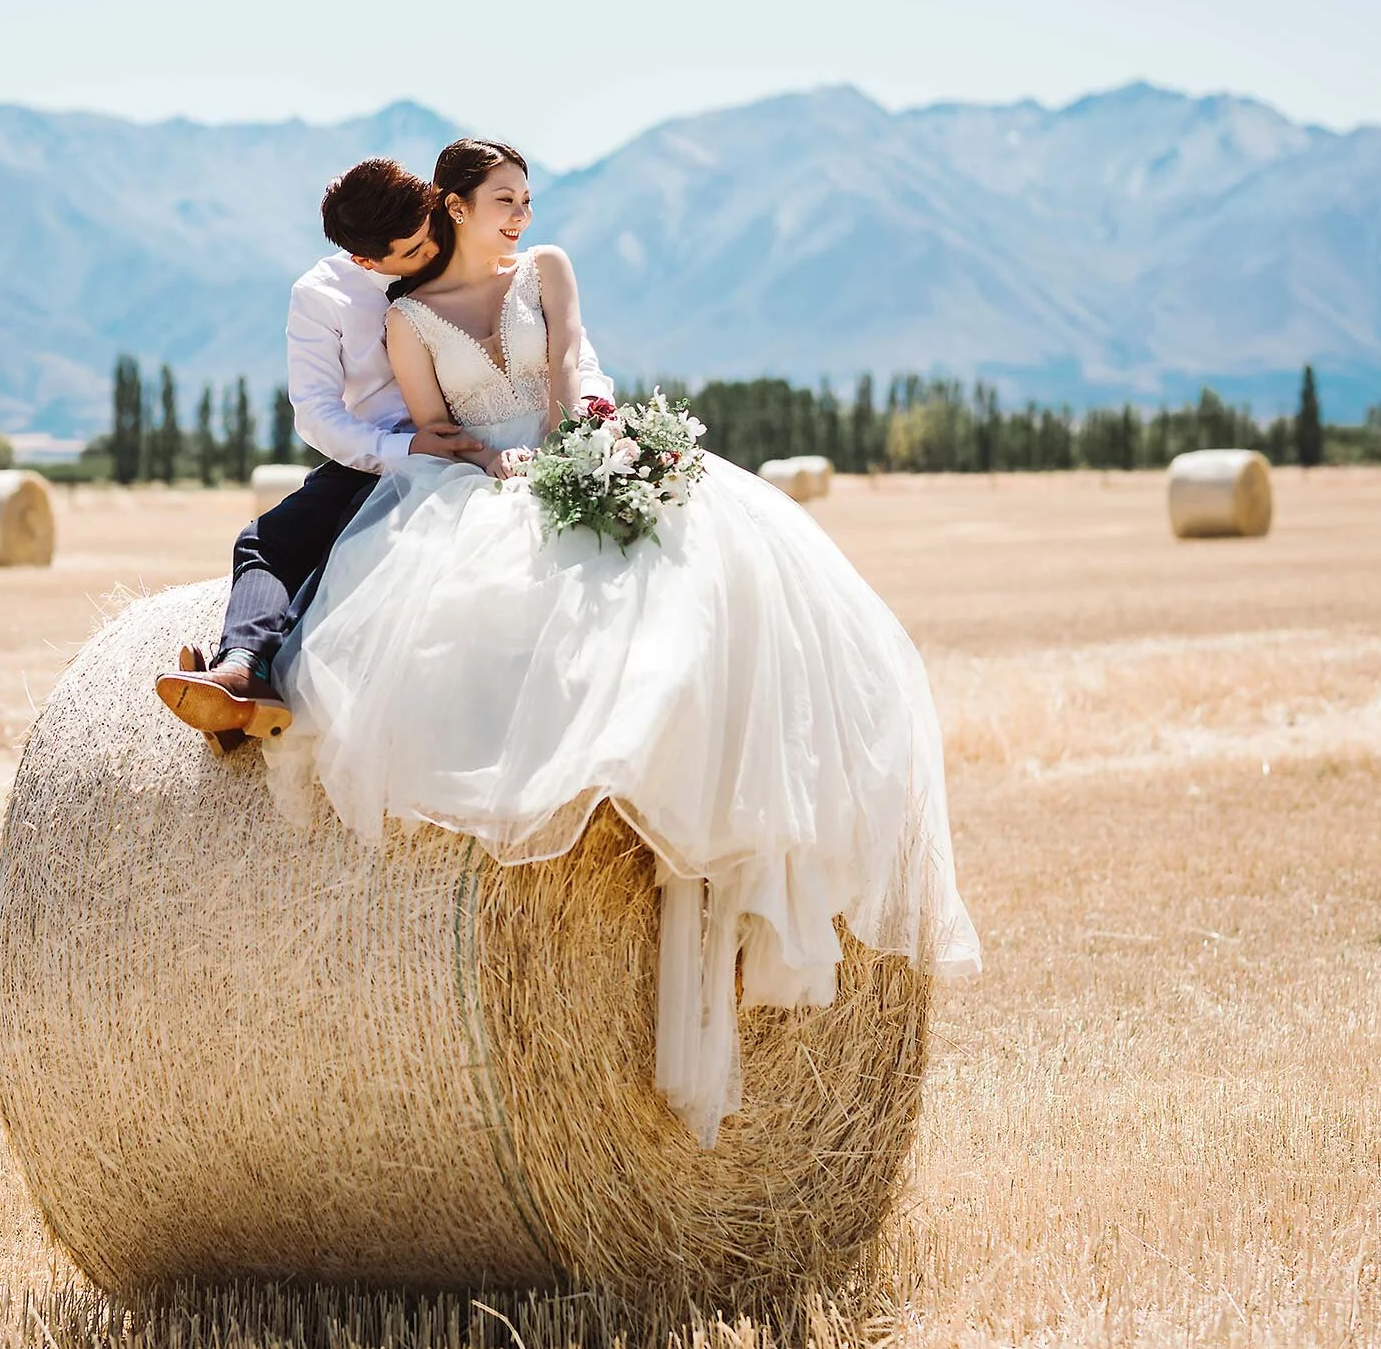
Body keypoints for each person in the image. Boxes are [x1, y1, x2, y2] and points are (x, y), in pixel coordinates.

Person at [264, 138, 982, 1146]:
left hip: (574, 454)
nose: (519, 213)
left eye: (526, 198)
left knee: (705, 627)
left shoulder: (548, 267)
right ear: (455, 205)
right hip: (484, 484)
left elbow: (568, 368)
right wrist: (495, 465)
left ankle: (726, 864)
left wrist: (593, 444)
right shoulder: (402, 317)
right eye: (502, 199)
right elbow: (433, 429)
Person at [154, 156, 614, 744]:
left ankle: (256, 693)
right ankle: (242, 670)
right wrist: (399, 448)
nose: (431, 253)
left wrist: (589, 412)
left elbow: (566, 350)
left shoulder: (467, 244)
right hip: (380, 453)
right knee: (272, 542)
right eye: (415, 251)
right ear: (367, 260)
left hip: (474, 447)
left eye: (432, 234)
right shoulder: (322, 296)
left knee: (357, 568)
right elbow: (316, 412)